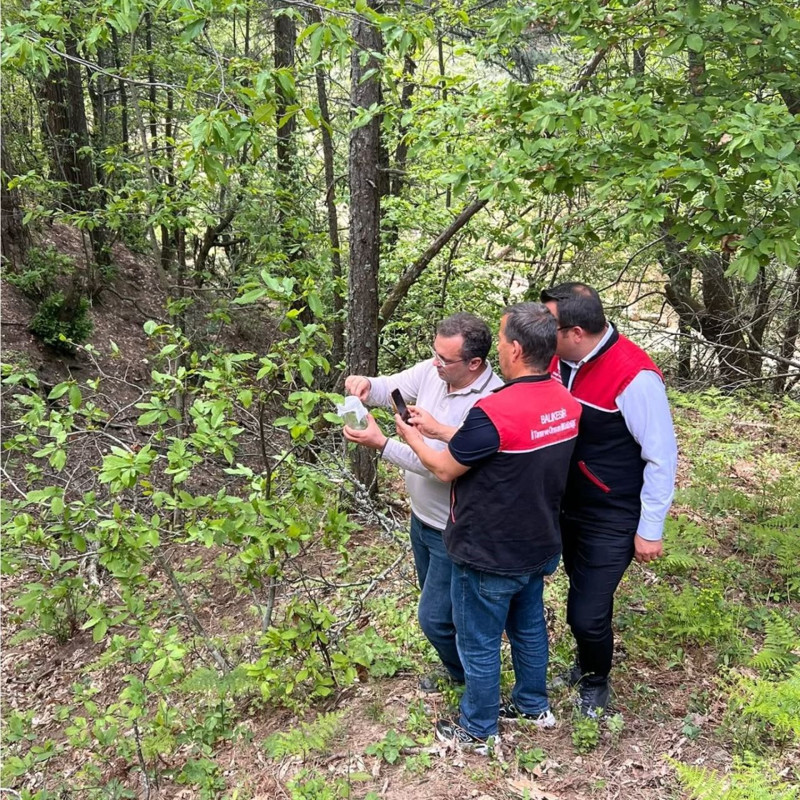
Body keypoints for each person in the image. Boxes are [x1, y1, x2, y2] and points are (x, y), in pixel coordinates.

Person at [395, 303, 582, 753]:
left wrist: (412, 436)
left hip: (488, 550)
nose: (498, 347)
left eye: (500, 340)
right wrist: (442, 428)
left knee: (477, 641)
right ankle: (534, 706)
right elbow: (492, 445)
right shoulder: (565, 402)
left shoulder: (494, 410)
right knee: (528, 626)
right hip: (539, 541)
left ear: (516, 349)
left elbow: (443, 469)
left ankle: (478, 727)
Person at [344, 313, 503, 692]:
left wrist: (382, 444)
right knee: (439, 608)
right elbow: (392, 387)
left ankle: (469, 679)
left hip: (455, 528)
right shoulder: (435, 371)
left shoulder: (490, 402)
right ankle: (461, 672)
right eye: (434, 353)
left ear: (474, 363)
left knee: (435, 618)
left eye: (444, 359)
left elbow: (439, 469)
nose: (435, 363)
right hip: (422, 519)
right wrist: (367, 385)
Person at [540, 282, 678, 717]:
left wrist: (649, 531)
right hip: (568, 504)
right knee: (583, 595)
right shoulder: (560, 360)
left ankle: (596, 682)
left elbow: (661, 456)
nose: (543, 335)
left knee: (585, 612)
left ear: (576, 332)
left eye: (550, 327)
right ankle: (584, 662)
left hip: (612, 512)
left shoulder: (634, 376)